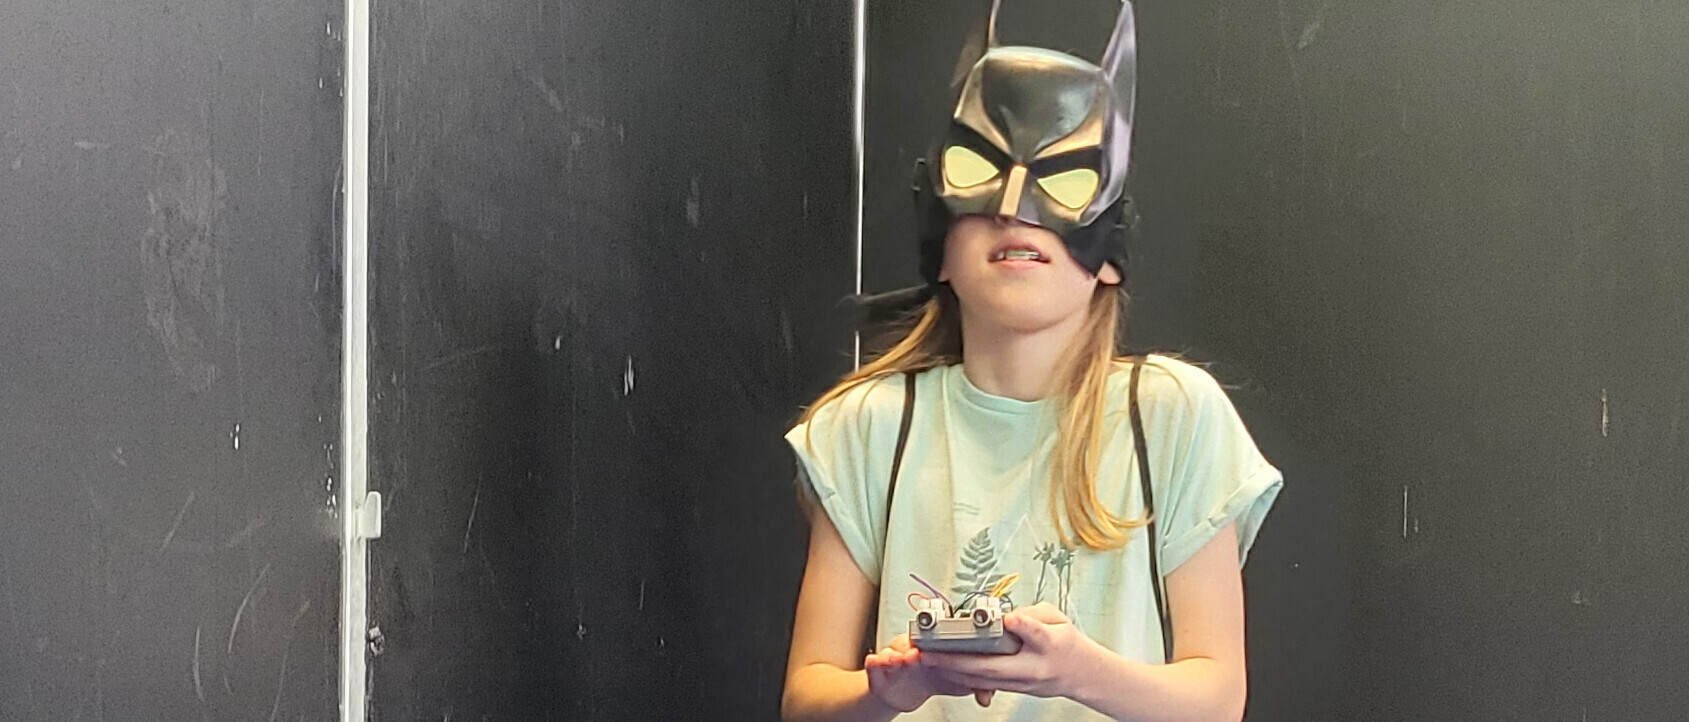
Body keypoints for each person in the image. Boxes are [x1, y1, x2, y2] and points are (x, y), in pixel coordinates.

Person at [779, 2, 1283, 720]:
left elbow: (1218, 699)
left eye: (1065, 179)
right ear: (940, 244)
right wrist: (888, 690)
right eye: (978, 170)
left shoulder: (1171, 415)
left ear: (1109, 252)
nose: (1014, 209)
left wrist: (1078, 672)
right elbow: (806, 698)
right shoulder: (868, 426)